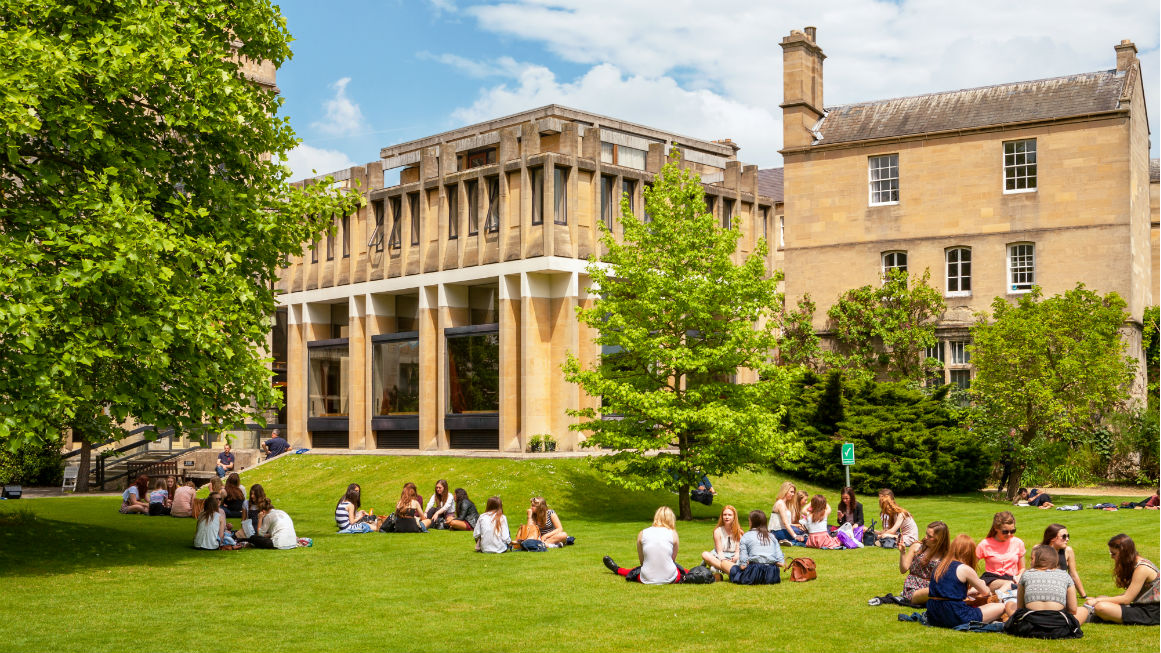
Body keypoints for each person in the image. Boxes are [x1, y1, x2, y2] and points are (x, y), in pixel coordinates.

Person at [926, 534, 1014, 628]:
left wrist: (968, 592)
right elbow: (985, 592)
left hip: (933, 614)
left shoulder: (939, 566)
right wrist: (982, 584)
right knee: (1000, 607)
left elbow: (947, 591)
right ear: (969, 552)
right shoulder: (964, 568)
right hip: (954, 614)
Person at [1078, 534, 1160, 626]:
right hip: (1141, 607)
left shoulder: (1142, 568)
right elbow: (1129, 594)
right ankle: (1091, 613)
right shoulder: (1136, 563)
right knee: (1102, 598)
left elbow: (1127, 599)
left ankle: (1091, 615)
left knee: (1101, 607)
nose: (1111, 557)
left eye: (1114, 554)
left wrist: (1096, 601)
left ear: (1124, 553)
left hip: (1152, 612)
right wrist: (1100, 599)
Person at [1005, 544, 1083, 638]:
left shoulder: (1026, 575)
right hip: (1059, 627)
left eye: (1032, 558)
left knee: (1009, 604)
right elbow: (1073, 610)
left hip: (1029, 627)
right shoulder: (1065, 576)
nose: (1030, 561)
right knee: (1084, 609)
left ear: (1040, 560)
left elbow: (1020, 608)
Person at [602, 506, 686, 584]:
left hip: (646, 577)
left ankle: (617, 569)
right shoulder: (673, 534)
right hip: (670, 577)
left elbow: (642, 561)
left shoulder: (642, 533)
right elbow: (672, 560)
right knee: (680, 569)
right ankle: (696, 571)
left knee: (636, 571)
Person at [722, 510, 786, 585]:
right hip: (772, 576)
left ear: (751, 522)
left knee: (724, 563)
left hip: (753, 575)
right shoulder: (772, 536)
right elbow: (781, 563)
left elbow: (743, 566)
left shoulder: (746, 536)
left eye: (749, 521)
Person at [900, 521, 949, 606]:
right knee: (936, 591)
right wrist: (903, 552)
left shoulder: (946, 555)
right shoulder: (917, 547)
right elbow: (903, 569)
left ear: (939, 539)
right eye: (926, 534)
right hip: (913, 588)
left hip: (933, 588)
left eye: (930, 536)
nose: (925, 537)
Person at [976, 510, 1025, 591]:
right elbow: (971, 566)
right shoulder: (985, 544)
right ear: (996, 529)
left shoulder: (1018, 543)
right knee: (1009, 584)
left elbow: (1022, 568)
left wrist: (1019, 576)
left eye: (1012, 531)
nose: (1009, 534)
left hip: (1013, 579)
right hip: (992, 579)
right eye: (1005, 532)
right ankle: (996, 599)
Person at [1042, 524, 1087, 600]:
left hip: (1060, 590)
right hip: (1043, 588)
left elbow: (1073, 574)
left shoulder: (1068, 551)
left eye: (1068, 536)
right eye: (1064, 536)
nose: (1067, 539)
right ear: (1052, 538)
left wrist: (1084, 596)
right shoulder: (1039, 550)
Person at [701, 505, 743, 573]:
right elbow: (719, 551)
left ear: (734, 517)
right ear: (722, 516)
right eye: (725, 515)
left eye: (729, 515)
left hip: (733, 556)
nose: (727, 517)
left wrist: (735, 558)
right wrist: (723, 560)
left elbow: (738, 551)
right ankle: (727, 569)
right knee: (705, 554)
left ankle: (718, 568)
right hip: (720, 556)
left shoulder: (739, 532)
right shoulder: (717, 531)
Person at [769, 481, 805, 546]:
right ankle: (788, 541)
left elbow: (787, 523)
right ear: (785, 491)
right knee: (804, 539)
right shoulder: (780, 504)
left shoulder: (785, 504)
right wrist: (795, 536)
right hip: (777, 532)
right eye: (791, 492)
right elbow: (785, 523)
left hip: (782, 530)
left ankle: (787, 541)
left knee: (801, 534)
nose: (793, 494)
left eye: (793, 492)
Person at [997, 428, 1016, 494]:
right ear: (1010, 432)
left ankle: (1009, 490)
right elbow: (1004, 448)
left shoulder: (1013, 439)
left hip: (1012, 459)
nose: (1014, 434)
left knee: (1011, 475)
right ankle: (1000, 488)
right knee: (1006, 474)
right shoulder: (1005, 438)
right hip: (1006, 459)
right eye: (1014, 433)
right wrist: (1013, 449)